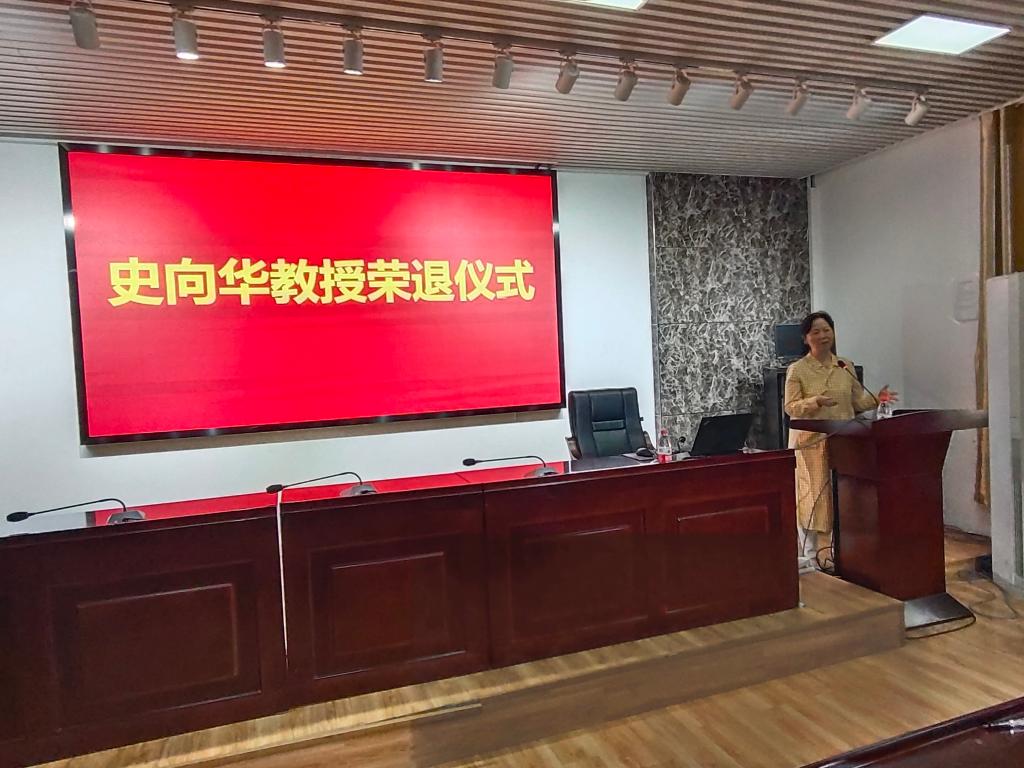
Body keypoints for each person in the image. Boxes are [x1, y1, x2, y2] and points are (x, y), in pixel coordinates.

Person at [784, 311, 896, 565]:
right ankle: (812, 555)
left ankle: (842, 551)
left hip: (844, 441)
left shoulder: (845, 366)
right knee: (813, 496)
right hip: (812, 443)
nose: (823, 336)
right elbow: (790, 407)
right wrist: (815, 402)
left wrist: (878, 398)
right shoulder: (798, 370)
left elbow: (857, 402)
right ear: (805, 338)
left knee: (843, 494)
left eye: (827, 330)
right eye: (816, 332)